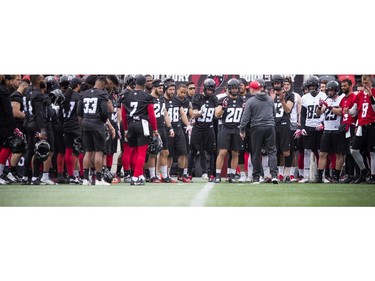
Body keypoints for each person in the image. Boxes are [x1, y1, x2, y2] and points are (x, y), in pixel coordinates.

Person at [121, 74, 158, 185]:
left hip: (131, 124)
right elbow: (151, 115)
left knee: (136, 153)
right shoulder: (147, 96)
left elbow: (123, 114)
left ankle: (140, 175)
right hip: (143, 124)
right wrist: (155, 129)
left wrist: (126, 130)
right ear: (144, 84)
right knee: (142, 153)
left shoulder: (126, 95)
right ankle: (135, 177)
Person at [239, 80, 279, 184]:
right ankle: (274, 175)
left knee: (256, 153)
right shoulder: (270, 99)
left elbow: (245, 118)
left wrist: (242, 130)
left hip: (257, 128)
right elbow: (274, 115)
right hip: (270, 127)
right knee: (272, 152)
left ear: (253, 89)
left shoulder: (250, 101)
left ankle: (256, 177)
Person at [77, 76, 111, 186]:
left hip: (85, 123)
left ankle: (86, 179)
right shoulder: (101, 94)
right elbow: (105, 112)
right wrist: (101, 120)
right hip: (96, 123)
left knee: (88, 151)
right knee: (99, 152)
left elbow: (79, 111)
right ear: (102, 83)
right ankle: (98, 179)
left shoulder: (84, 93)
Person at [214, 78, 245, 183]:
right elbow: (217, 114)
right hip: (226, 128)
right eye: (233, 88)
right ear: (228, 89)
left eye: (236, 88)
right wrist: (223, 107)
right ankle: (218, 175)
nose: (235, 90)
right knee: (222, 152)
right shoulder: (223, 100)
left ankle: (231, 174)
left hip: (237, 128)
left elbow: (246, 116)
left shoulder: (242, 100)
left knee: (235, 153)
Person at [315, 80, 344, 183]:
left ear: (336, 90)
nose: (329, 92)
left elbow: (341, 112)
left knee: (338, 154)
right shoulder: (327, 99)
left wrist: (329, 106)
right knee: (322, 154)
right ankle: (319, 177)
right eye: (328, 90)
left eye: (331, 90)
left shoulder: (341, 98)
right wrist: (319, 106)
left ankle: (336, 176)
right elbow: (318, 113)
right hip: (327, 130)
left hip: (337, 130)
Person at [348, 75, 375, 183]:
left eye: (366, 82)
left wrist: (371, 97)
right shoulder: (359, 95)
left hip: (372, 124)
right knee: (354, 150)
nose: (365, 85)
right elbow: (354, 111)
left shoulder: (373, 92)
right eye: (363, 83)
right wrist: (347, 111)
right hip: (361, 125)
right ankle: (364, 171)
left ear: (371, 82)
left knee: (372, 152)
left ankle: (373, 175)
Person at [190, 78, 218, 181]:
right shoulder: (198, 98)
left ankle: (211, 174)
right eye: (208, 90)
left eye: (212, 90)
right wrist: (199, 112)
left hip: (209, 129)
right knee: (195, 151)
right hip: (198, 128)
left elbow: (217, 112)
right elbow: (193, 113)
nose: (210, 92)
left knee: (210, 152)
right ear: (204, 88)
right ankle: (190, 173)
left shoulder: (214, 99)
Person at [0, 75, 22, 185]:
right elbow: (8, 111)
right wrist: (14, 126)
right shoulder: (3, 90)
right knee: (7, 147)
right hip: (3, 124)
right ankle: (1, 174)